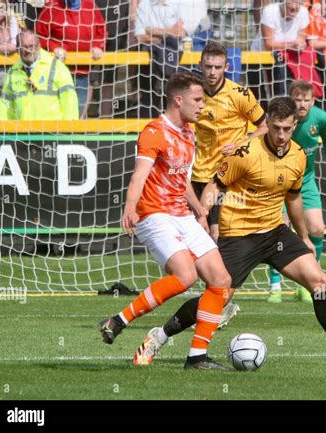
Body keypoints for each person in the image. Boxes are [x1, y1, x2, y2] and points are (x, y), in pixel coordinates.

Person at [132, 96, 326, 368]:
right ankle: (158, 337)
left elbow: (294, 199)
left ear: (295, 125)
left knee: (320, 282)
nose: (281, 135)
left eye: (287, 128)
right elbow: (215, 187)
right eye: (275, 128)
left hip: (275, 234)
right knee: (218, 298)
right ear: (269, 125)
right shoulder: (245, 153)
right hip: (239, 236)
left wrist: (304, 237)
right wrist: (202, 219)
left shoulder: (298, 155)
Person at [99, 72, 232, 371]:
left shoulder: (188, 133)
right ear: (178, 100)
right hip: (154, 214)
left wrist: (200, 211)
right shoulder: (154, 132)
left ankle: (197, 357)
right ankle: (119, 320)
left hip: (181, 214)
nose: (202, 106)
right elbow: (139, 175)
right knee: (186, 276)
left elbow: (181, 179)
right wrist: (130, 207)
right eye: (198, 100)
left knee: (221, 281)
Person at [191, 41, 268, 328]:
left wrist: (242, 142)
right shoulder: (193, 94)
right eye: (208, 67)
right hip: (197, 176)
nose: (212, 72)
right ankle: (219, 296)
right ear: (201, 66)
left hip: (227, 178)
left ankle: (219, 299)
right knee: (198, 243)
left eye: (218, 67)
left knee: (218, 237)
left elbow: (264, 126)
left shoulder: (240, 94)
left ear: (227, 67)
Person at [267, 80, 326, 303]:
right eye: (298, 100)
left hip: (307, 179)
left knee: (317, 228)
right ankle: (275, 286)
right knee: (280, 229)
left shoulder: (319, 118)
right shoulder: (282, 120)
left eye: (306, 100)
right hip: (280, 180)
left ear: (313, 100)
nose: (302, 104)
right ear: (291, 99)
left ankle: (309, 282)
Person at [36, 0, 107, 118]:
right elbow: (39, 36)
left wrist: (98, 45)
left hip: (82, 74)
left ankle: (74, 135)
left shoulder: (90, 5)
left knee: (78, 112)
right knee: (58, 111)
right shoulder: (51, 8)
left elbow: (102, 31)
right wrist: (54, 48)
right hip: (57, 73)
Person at [0, 30, 79, 120]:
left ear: (39, 46)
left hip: (52, 132)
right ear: (17, 50)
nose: (28, 50)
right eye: (24, 47)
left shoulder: (57, 67)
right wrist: (4, 130)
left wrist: (69, 130)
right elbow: (5, 104)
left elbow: (69, 100)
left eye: (31, 46)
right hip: (22, 132)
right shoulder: (12, 72)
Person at [250, 0, 313, 99]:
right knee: (279, 63)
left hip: (289, 54)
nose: (294, 7)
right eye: (291, 2)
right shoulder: (270, 11)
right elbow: (269, 44)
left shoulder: (304, 12)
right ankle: (280, 101)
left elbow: (302, 37)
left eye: (298, 3)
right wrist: (292, 45)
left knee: (312, 56)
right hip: (263, 54)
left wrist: (300, 44)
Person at [134, 0, 186, 118]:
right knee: (148, 101)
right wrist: (168, 32)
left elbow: (180, 32)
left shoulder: (177, 4)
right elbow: (140, 36)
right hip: (149, 65)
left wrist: (152, 31)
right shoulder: (144, 5)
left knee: (173, 100)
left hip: (175, 62)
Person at [0, 0, 21, 117]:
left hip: (9, 77)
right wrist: (4, 48)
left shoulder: (12, 22)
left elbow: (14, 47)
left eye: (0, 8)